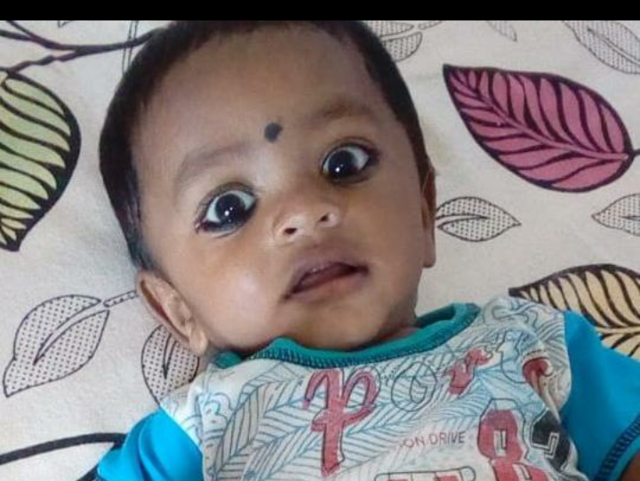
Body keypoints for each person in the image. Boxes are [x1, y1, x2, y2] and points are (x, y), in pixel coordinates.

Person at [96, 21, 640, 481]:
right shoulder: (204, 421)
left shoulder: (529, 343)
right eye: (230, 208)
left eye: (344, 163)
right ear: (178, 310)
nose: (305, 211)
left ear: (424, 211)